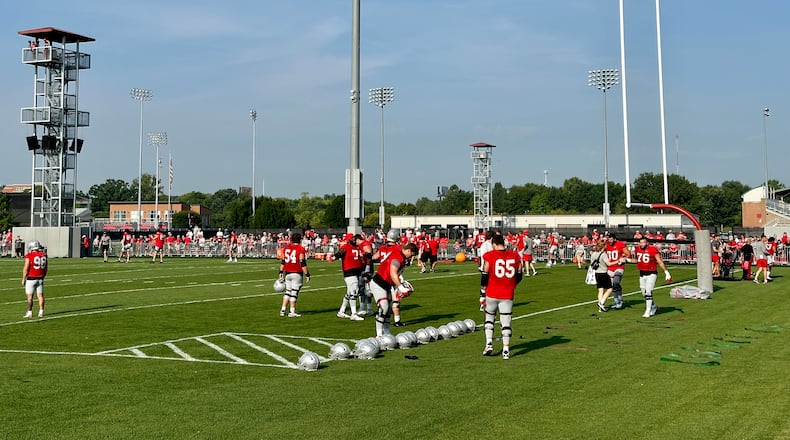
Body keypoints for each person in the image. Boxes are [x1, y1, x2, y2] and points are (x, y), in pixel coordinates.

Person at [481, 234, 523, 360]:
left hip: (492, 292)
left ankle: (489, 343)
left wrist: (483, 289)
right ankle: (506, 349)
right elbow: (519, 274)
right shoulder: (515, 256)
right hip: (507, 293)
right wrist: (512, 283)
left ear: (494, 244)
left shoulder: (490, 255)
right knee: (506, 321)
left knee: (489, 318)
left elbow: (485, 273)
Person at [369, 241, 418, 337]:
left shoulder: (400, 255)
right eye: (411, 254)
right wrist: (401, 287)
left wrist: (398, 286)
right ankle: (379, 335)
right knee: (384, 308)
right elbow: (392, 273)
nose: (410, 257)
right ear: (408, 250)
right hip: (379, 283)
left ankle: (387, 333)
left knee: (388, 311)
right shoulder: (398, 257)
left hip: (387, 284)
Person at [627, 237, 671, 318]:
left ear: (647, 243)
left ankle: (648, 310)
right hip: (642, 273)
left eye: (643, 242)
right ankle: (653, 306)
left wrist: (666, 272)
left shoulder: (653, 249)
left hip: (651, 273)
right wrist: (627, 260)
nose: (642, 244)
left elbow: (660, 261)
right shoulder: (638, 249)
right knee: (644, 293)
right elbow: (637, 260)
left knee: (648, 292)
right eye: (640, 242)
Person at [334, 233, 365, 321]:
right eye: (353, 238)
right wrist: (334, 257)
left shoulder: (358, 247)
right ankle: (353, 313)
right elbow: (340, 253)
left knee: (349, 293)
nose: (355, 240)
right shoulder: (346, 247)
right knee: (354, 291)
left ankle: (341, 311)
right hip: (349, 271)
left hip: (357, 271)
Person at [279, 232, 310, 317]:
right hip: (296, 273)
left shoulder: (286, 248)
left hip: (287, 273)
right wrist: (307, 274)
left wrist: (281, 272)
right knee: (294, 292)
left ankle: (283, 310)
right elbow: (302, 262)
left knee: (288, 292)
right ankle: (292, 311)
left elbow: (283, 261)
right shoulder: (300, 248)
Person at [605, 233, 631, 309]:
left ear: (614, 239)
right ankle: (617, 301)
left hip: (619, 266)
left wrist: (624, 257)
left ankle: (619, 300)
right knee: (612, 285)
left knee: (616, 281)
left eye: (611, 239)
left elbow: (628, 254)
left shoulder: (620, 244)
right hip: (610, 267)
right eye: (608, 239)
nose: (609, 240)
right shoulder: (606, 245)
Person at [590, 241, 618, 312]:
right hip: (603, 273)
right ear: (603, 246)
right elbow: (608, 264)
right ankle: (601, 303)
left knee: (600, 290)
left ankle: (600, 308)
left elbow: (592, 263)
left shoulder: (593, 254)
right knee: (609, 289)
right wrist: (617, 261)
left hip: (597, 273)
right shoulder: (603, 254)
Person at [22, 240, 48, 318]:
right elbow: (46, 268)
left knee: (30, 297)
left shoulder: (29, 255)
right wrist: (43, 276)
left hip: (31, 278)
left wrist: (23, 279)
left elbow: (26, 268)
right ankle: (41, 311)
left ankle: (30, 312)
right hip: (40, 278)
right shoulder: (44, 255)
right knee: (40, 295)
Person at [477, 230, 495, 311]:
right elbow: (483, 256)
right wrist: (482, 266)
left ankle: (490, 302)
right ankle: (482, 303)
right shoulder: (485, 245)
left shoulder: (491, 245)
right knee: (484, 286)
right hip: (486, 268)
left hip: (491, 268)